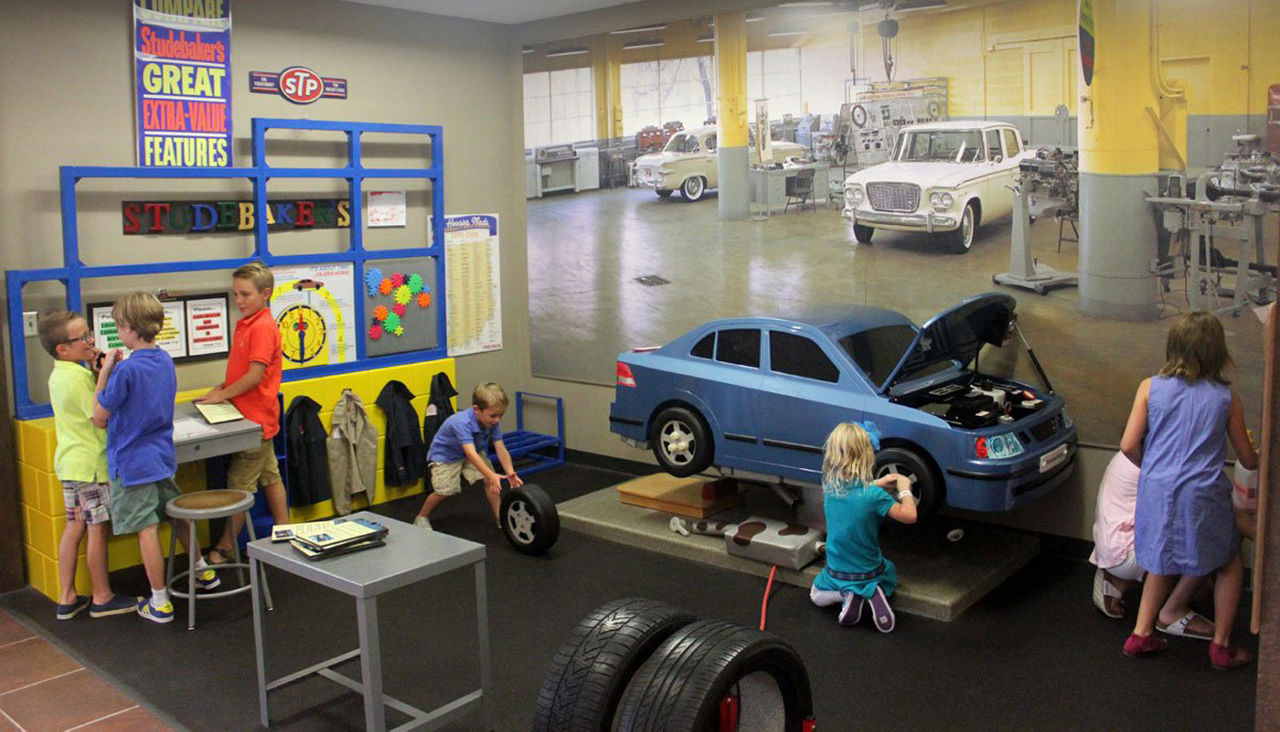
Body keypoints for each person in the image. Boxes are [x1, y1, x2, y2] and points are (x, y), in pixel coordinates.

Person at [1120, 312, 1259, 670]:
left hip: (1157, 490)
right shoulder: (1226, 397)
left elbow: (1128, 444)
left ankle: (1140, 632)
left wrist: (1152, 468)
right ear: (1217, 352)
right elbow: (1248, 458)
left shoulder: (1149, 387)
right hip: (1202, 493)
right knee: (1228, 559)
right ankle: (1222, 647)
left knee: (1162, 561)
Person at [93, 292, 220, 624]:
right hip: (161, 457)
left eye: (119, 326)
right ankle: (202, 570)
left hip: (131, 463)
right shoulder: (165, 360)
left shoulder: (124, 372)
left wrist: (104, 372)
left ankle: (160, 601)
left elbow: (99, 415)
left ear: (130, 329)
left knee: (146, 528)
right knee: (175, 515)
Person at [39, 311, 138, 620]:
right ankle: (102, 595)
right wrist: (106, 372)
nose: (90, 341)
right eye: (81, 338)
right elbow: (99, 413)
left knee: (75, 526)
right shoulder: (77, 377)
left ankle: (67, 595)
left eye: (89, 334)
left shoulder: (59, 375)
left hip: (70, 464)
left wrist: (97, 372)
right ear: (62, 349)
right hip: (90, 466)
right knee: (97, 528)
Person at [198, 262, 289, 565]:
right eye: (235, 294)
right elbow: (241, 371)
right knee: (270, 474)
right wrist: (220, 388)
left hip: (254, 421)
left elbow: (254, 376)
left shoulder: (262, 327)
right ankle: (285, 528)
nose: (238, 301)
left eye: (245, 295)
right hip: (252, 416)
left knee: (240, 488)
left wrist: (221, 395)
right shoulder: (248, 323)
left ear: (265, 294)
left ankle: (224, 547)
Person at [1089, 451, 1213, 637]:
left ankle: (1118, 581)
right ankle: (1172, 612)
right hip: (1126, 551)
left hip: (1109, 543)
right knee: (1210, 540)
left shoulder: (1130, 455)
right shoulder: (1157, 464)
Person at [809, 422, 916, 632]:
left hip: (837, 572)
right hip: (869, 572)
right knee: (889, 575)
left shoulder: (830, 486)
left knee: (816, 595)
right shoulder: (874, 497)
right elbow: (910, 516)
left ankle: (847, 594)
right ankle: (871, 592)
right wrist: (905, 490)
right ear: (867, 456)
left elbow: (853, 491)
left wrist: (878, 482)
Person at [413, 382, 523, 530]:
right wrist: (490, 474)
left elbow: (500, 447)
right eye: (493, 415)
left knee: (491, 482)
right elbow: (470, 453)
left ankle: (500, 517)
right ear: (476, 409)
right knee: (445, 491)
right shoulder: (461, 422)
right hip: (446, 456)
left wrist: (510, 472)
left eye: (500, 415)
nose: (497, 420)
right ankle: (421, 517)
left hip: (472, 451)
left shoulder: (493, 422)